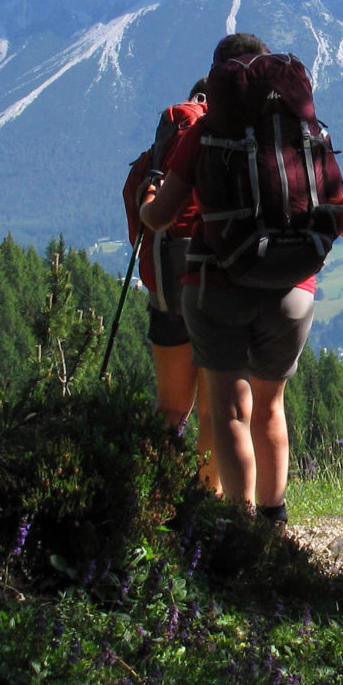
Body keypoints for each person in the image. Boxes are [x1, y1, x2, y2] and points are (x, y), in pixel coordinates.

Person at [139, 32, 343, 526]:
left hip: (219, 285)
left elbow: (162, 217)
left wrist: (147, 200)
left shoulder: (205, 133)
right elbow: (339, 202)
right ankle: (275, 521)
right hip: (294, 288)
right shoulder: (300, 129)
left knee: (228, 408)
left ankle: (239, 522)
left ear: (220, 76)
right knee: (271, 407)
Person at [133, 79, 216, 485]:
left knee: (171, 409)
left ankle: (157, 494)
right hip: (217, 292)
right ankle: (211, 500)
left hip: (166, 290)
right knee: (214, 412)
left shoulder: (155, 159)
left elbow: (139, 221)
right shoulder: (226, 146)